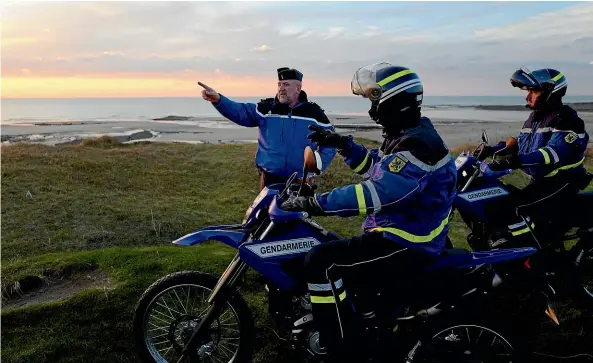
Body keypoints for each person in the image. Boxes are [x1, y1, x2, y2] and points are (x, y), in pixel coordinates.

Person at [281, 63, 457, 361]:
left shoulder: (418, 145)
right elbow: (378, 169)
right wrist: (344, 145)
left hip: (407, 241)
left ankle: (340, 348)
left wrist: (316, 204)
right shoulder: (409, 134)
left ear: (395, 102)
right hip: (402, 230)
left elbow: (376, 193)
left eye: (375, 100)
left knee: (321, 261)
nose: (372, 109)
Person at [485, 67, 591, 249]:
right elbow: (523, 143)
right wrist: (491, 150)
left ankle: (536, 254)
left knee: (517, 208)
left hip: (563, 182)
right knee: (502, 199)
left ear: (551, 92)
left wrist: (516, 161)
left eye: (533, 91)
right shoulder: (535, 119)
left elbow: (553, 153)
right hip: (543, 182)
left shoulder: (567, 120)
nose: (528, 96)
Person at [198, 67, 337, 190]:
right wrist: (218, 100)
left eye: (286, 84)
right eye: (279, 84)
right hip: (269, 179)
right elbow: (240, 111)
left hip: (301, 181)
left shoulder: (314, 113)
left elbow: (331, 143)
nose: (281, 88)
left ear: (298, 88)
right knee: (266, 217)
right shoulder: (266, 108)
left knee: (298, 218)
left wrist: (316, 169)